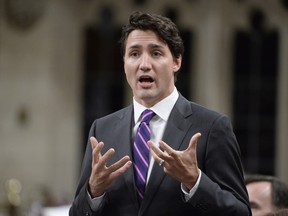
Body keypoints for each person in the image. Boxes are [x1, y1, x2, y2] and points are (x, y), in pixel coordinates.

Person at [69, 11, 251, 216]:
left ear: (176, 61)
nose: (144, 65)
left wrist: (195, 182)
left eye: (156, 53)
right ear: (124, 63)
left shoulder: (211, 127)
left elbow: (241, 212)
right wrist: (93, 192)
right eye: (134, 54)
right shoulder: (102, 129)